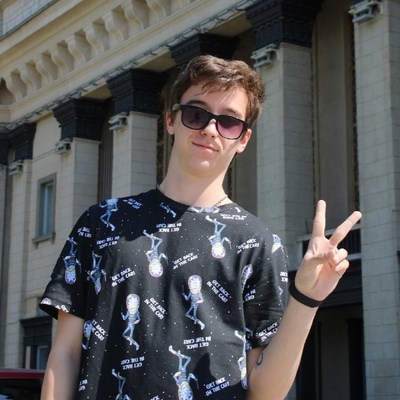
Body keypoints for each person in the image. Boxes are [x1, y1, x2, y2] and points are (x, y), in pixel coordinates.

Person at [39, 55, 361, 400]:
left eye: (229, 122)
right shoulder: (101, 222)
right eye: (196, 114)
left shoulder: (259, 244)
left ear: (243, 139)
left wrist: (307, 299)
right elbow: (65, 354)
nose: (209, 129)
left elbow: (264, 392)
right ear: (171, 120)